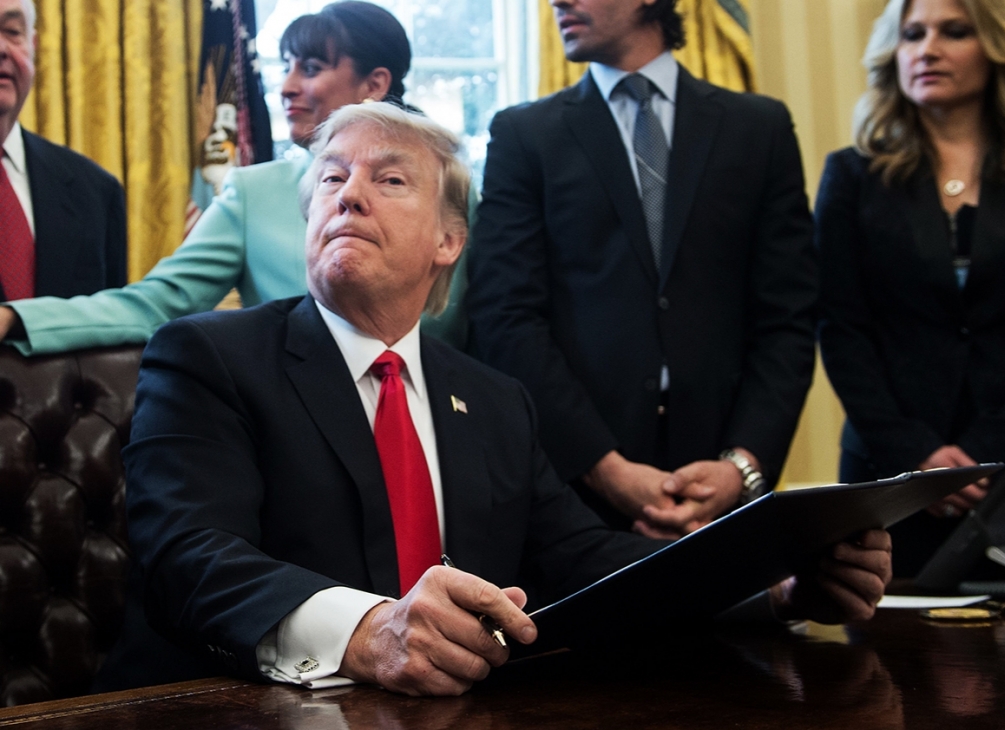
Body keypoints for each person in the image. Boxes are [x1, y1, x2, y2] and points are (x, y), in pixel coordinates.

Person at [95, 102, 892, 697]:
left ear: (449, 242)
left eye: (390, 178)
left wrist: (775, 583)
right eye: (331, 177)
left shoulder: (495, 399)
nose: (349, 194)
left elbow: (587, 562)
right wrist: (368, 631)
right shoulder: (209, 355)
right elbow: (189, 556)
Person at [467, 0, 817, 539]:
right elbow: (505, 317)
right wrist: (606, 470)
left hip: (725, 493)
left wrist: (740, 469)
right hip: (572, 499)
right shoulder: (525, 136)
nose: (557, 2)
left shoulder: (759, 128)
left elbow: (788, 318)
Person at [0, 1, 467, 353]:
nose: (284, 87)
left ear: (376, 84)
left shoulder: (456, 194)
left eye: (310, 68)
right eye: (284, 68)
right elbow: (155, 304)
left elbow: (479, 327)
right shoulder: (252, 193)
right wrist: (15, 319)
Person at [816, 0, 1005, 576]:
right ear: (893, 54)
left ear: (997, 49)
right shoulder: (852, 176)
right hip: (886, 479)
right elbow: (840, 329)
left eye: (954, 32)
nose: (927, 49)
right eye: (912, 34)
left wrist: (985, 453)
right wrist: (918, 455)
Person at [0, 0, 125, 302]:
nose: (1, 49)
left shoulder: (96, 191)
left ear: (33, 45)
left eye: (12, 31)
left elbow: (113, 328)